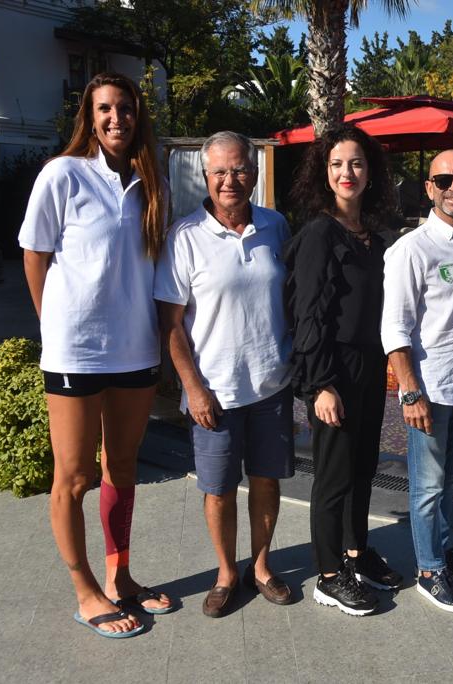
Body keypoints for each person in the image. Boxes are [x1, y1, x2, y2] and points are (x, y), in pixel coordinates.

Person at [18, 72, 173, 638]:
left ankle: (119, 576)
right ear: (90, 115)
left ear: (138, 115)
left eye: (125, 108)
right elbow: (34, 255)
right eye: (105, 108)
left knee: (122, 467)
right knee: (75, 476)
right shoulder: (62, 173)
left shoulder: (152, 183)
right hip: (75, 354)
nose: (116, 118)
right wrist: (54, 325)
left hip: (135, 349)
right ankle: (85, 588)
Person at [155, 131, 295, 618]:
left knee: (266, 480)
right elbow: (170, 324)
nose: (229, 180)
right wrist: (192, 388)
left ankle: (261, 567)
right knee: (218, 489)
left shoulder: (276, 226)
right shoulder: (185, 236)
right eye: (219, 171)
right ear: (205, 176)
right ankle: (225, 573)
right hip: (214, 391)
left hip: (271, 384)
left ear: (253, 174)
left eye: (238, 170)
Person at [285, 124, 402, 617]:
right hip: (333, 369)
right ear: (324, 173)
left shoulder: (375, 236)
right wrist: (320, 385)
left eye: (355, 163)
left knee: (363, 467)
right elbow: (307, 314)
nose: (346, 172)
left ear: (370, 171)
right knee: (333, 476)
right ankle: (330, 574)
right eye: (336, 164)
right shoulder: (320, 234)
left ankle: (356, 552)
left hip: (370, 365)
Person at [381, 150, 453, 613]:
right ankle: (428, 570)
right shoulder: (412, 249)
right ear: (429, 187)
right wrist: (410, 393)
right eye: (444, 180)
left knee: (450, 480)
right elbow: (395, 328)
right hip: (430, 388)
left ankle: (441, 550)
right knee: (426, 487)